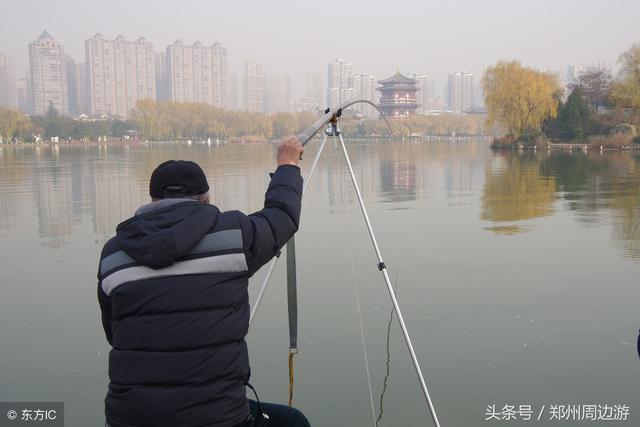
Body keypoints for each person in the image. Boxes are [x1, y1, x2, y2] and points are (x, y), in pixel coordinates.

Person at [97, 137, 310, 427]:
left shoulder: (113, 255)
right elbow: (282, 215)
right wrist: (287, 165)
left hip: (129, 418)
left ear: (153, 202)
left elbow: (116, 332)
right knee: (292, 422)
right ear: (206, 199)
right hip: (217, 417)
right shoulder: (235, 236)